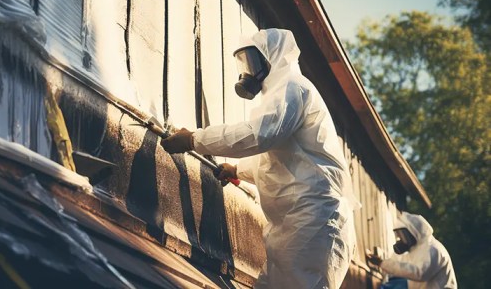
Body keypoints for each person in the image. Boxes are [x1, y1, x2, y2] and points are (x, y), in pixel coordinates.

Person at [161, 28, 356, 288]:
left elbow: (260, 136)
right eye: (244, 63)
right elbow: (278, 159)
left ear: (272, 58)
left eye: (253, 61)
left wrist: (194, 139)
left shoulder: (293, 88)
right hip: (294, 226)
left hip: (315, 221)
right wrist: (237, 169)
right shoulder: (280, 95)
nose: (248, 71)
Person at [366, 212, 457, 289]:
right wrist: (382, 261)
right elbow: (400, 268)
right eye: (398, 235)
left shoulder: (433, 249)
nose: (400, 238)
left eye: (402, 235)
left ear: (413, 232)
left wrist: (382, 263)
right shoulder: (415, 250)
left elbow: (419, 273)